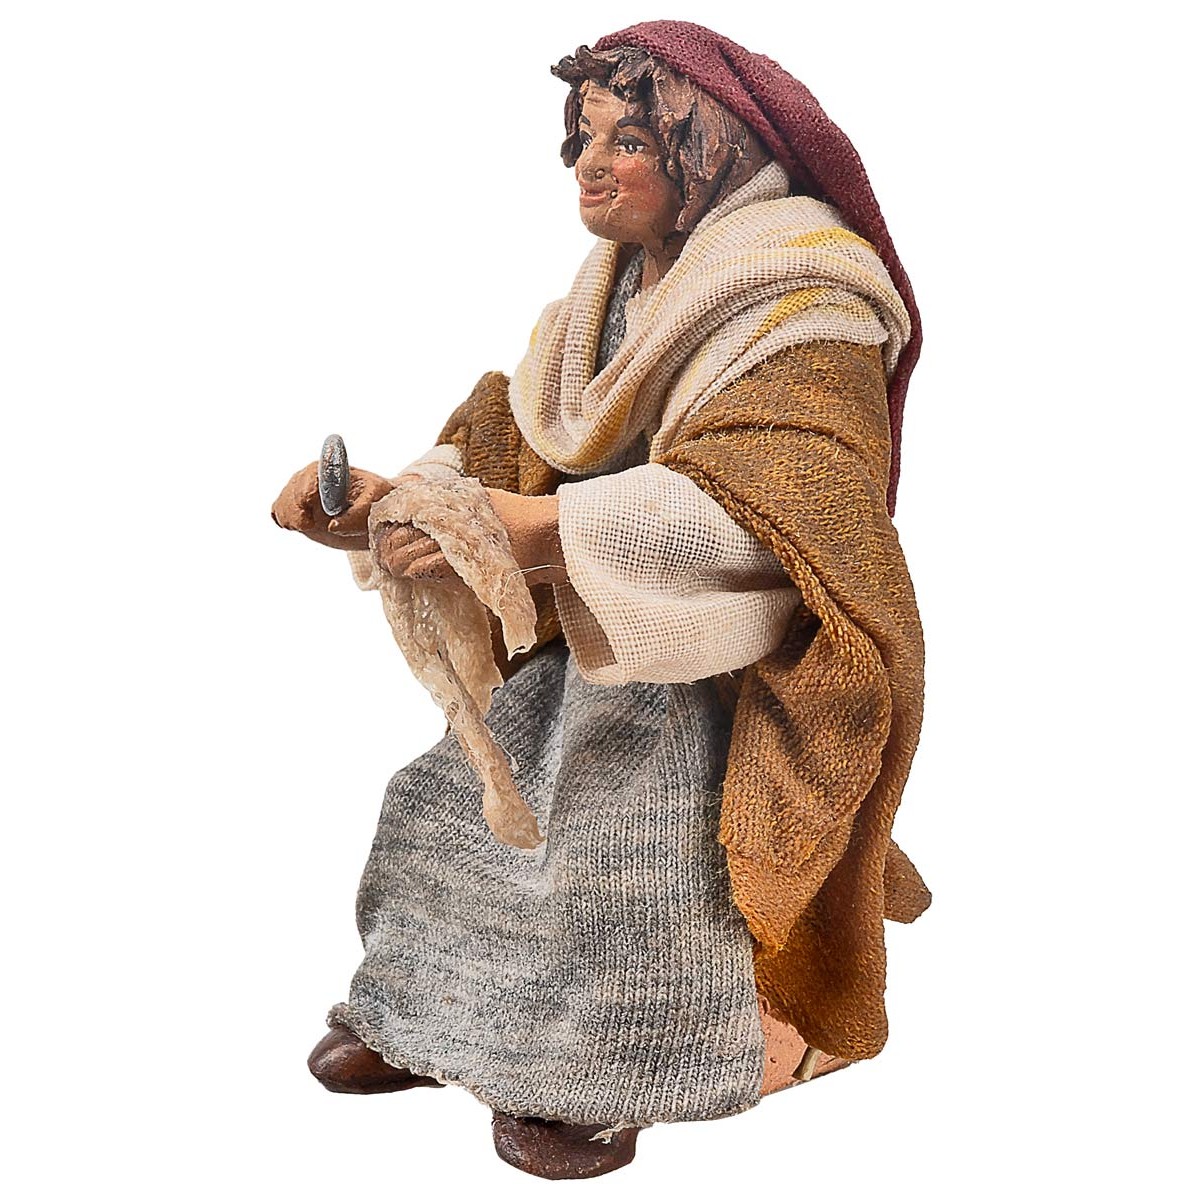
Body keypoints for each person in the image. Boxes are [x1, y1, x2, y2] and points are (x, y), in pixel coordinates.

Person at [271, 21, 929, 1180]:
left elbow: (766, 513)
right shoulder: (602, 301)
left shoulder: (806, 305)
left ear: (710, 155)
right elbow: (513, 443)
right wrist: (389, 503)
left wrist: (530, 531)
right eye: (584, 135)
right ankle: (426, 1016)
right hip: (593, 644)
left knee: (623, 858)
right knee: (442, 807)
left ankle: (604, 1075)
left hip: (718, 674)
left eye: (628, 139)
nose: (590, 162)